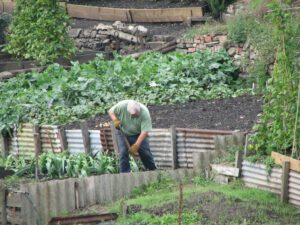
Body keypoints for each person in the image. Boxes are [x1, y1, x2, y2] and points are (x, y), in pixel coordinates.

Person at [108, 100, 157, 173]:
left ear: (139, 110)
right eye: (132, 115)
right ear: (128, 110)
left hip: (138, 134)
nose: (133, 116)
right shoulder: (122, 106)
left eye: (135, 115)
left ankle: (152, 171)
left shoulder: (145, 113)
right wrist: (115, 120)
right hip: (123, 133)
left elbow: (144, 132)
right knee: (123, 153)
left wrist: (136, 145)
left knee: (145, 152)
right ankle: (125, 174)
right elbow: (110, 111)